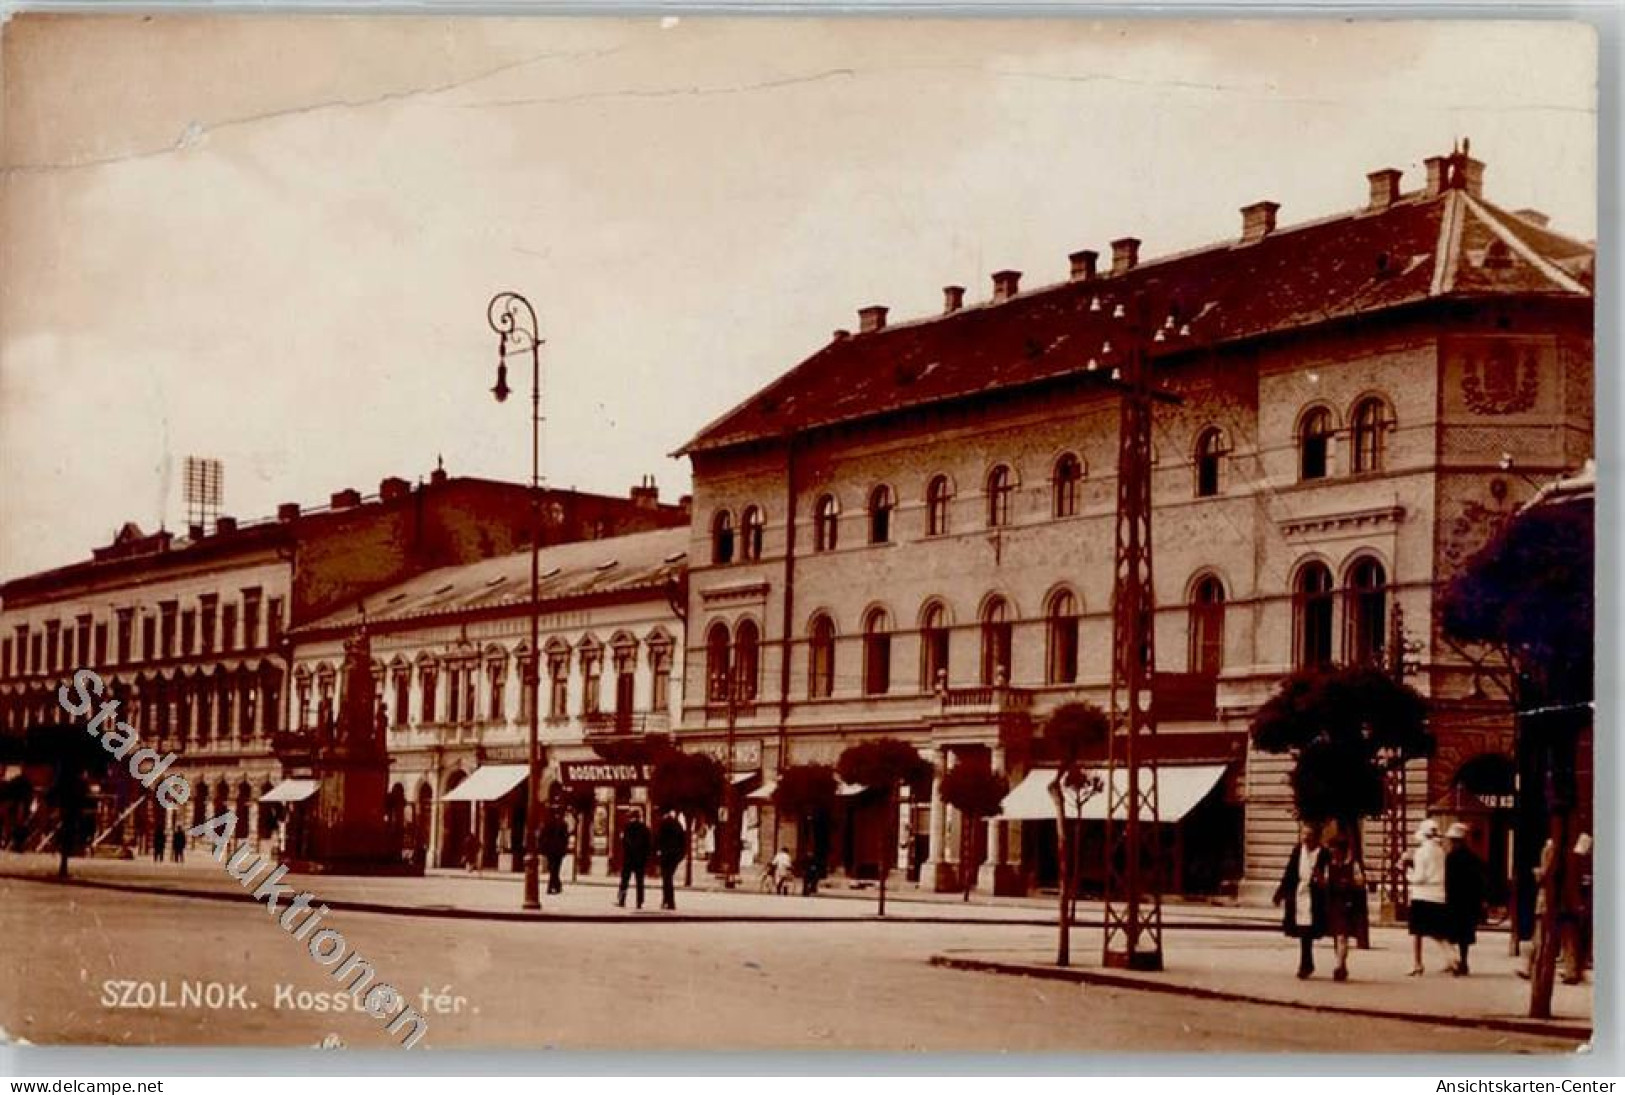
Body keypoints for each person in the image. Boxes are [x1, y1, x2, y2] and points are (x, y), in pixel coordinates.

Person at [1273, 822, 1329, 979]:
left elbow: (1328, 875)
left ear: (1316, 837)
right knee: (1304, 932)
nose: (1305, 838)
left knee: (1310, 932)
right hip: (1299, 896)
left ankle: (1334, 964)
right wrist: (1280, 893)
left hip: (1316, 898)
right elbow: (1290, 872)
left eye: (1309, 835)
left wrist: (1322, 881)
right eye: (1303, 834)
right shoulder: (1298, 851)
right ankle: (1306, 965)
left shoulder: (1324, 853)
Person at [1404, 818, 1451, 975]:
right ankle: (1451, 955)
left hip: (1422, 895)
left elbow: (1419, 877)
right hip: (1439, 894)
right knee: (1438, 932)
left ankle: (1417, 963)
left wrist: (1408, 873)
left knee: (1417, 933)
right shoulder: (1441, 852)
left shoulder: (1421, 852)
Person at [1322, 833, 1366, 982]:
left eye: (1334, 849)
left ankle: (1339, 967)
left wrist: (1349, 883)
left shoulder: (1352, 864)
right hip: (1334, 904)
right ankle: (1342, 964)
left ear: (1341, 850)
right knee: (1338, 937)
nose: (1332, 852)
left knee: (1342, 937)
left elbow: (1360, 882)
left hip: (1347, 904)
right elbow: (1326, 883)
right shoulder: (1330, 865)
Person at [1444, 822, 1485, 976]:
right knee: (1465, 935)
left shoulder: (1451, 858)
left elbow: (1448, 881)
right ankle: (1464, 960)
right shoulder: (1474, 858)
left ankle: (1455, 962)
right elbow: (1479, 881)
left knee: (1452, 933)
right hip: (1469, 901)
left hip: (1454, 900)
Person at [617, 809, 651, 909]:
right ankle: (639, 901)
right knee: (640, 881)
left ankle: (622, 899)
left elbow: (624, 842)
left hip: (629, 858)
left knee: (624, 880)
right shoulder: (645, 828)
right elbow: (648, 845)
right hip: (640, 860)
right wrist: (645, 857)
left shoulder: (627, 827)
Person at [656, 808, 687, 911]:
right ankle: (667, 901)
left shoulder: (663, 824)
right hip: (675, 856)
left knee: (666, 878)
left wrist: (657, 853)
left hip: (665, 855)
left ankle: (669, 901)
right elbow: (683, 842)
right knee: (668, 878)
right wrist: (680, 856)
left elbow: (658, 840)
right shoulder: (678, 825)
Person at [541, 811, 571, 896]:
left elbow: (542, 837)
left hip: (551, 850)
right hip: (558, 850)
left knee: (552, 869)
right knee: (555, 869)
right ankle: (555, 886)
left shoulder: (547, 823)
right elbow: (565, 838)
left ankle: (553, 886)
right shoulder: (563, 824)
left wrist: (543, 849)